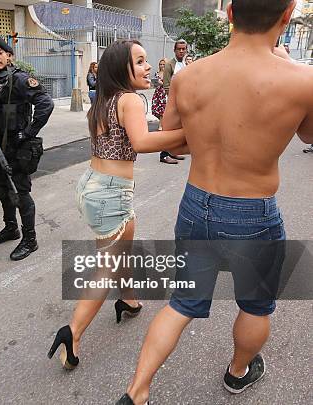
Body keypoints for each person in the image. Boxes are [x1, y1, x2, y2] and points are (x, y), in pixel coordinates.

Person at [117, 1, 312, 404]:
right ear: (287, 14)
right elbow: (308, 136)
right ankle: (238, 373)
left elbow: (175, 137)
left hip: (196, 203)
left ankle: (136, 390)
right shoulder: (302, 80)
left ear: (229, 14)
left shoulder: (189, 75)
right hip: (253, 211)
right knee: (256, 305)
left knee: (183, 301)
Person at [47, 40, 186, 370]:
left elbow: (129, 139)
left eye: (146, 61)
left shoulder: (103, 100)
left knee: (118, 251)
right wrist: (186, 132)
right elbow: (142, 141)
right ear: (120, 68)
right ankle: (73, 331)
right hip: (111, 194)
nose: (148, 67)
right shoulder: (130, 100)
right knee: (108, 265)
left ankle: (128, 300)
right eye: (139, 62)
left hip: (91, 186)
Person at [0, 35, 54, 261]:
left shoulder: (19, 79)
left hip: (16, 148)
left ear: (8, 55)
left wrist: (28, 133)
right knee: (1, 190)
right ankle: (11, 228)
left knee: (20, 193)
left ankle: (30, 239)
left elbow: (45, 104)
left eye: (0, 53)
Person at [160, 39, 189, 164]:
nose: (181, 51)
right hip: (172, 102)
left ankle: (173, 152)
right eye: (179, 49)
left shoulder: (186, 64)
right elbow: (166, 86)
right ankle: (164, 154)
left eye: (183, 49)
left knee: (178, 129)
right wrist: (172, 103)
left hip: (183, 101)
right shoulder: (169, 65)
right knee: (169, 129)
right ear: (174, 50)